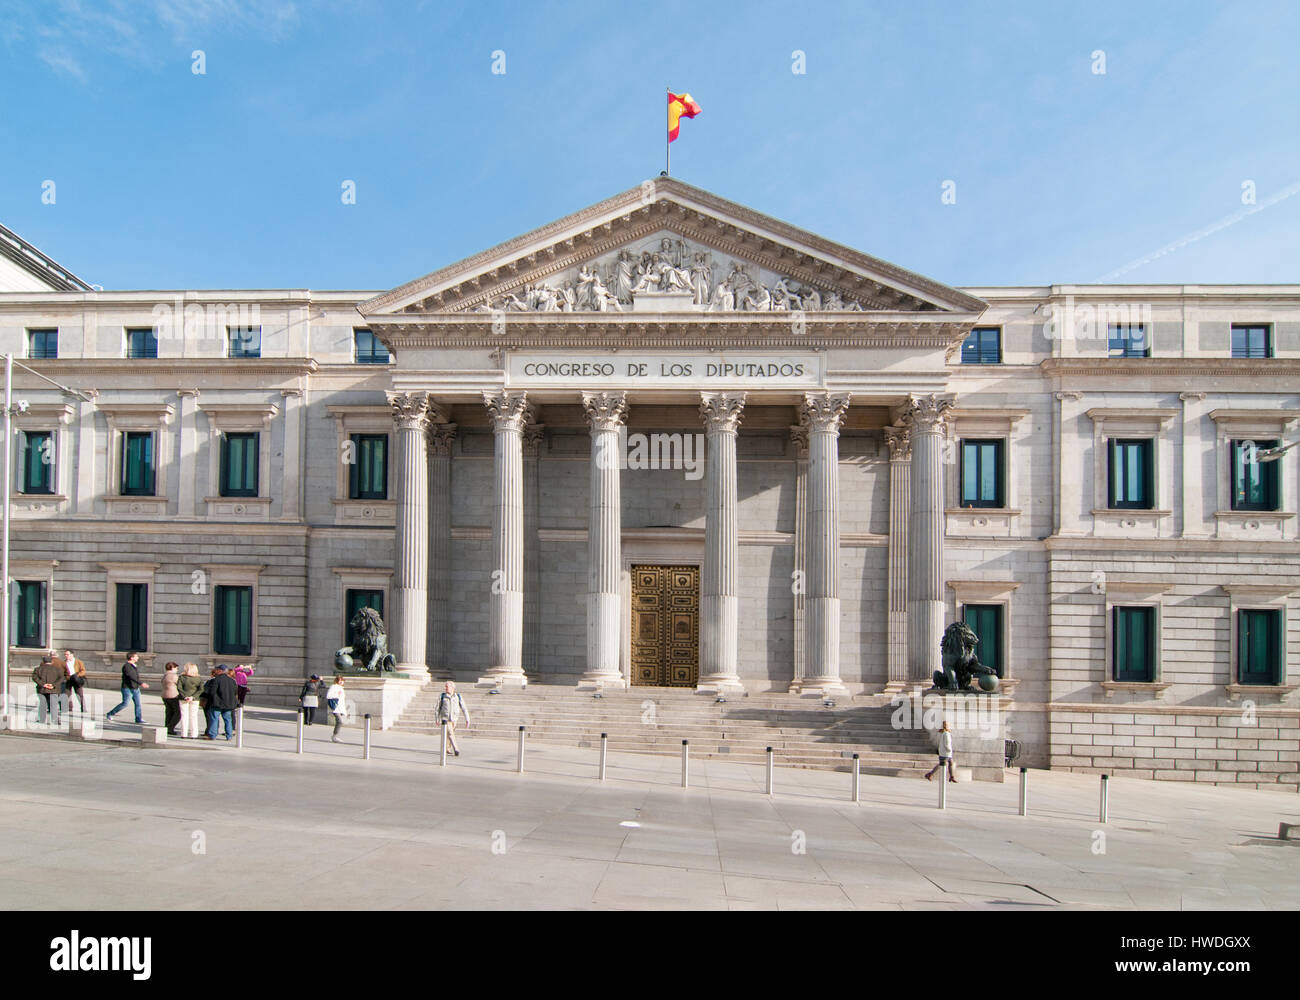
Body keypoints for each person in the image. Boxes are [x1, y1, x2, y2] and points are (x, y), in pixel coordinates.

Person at [106, 652, 149, 725]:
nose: (137, 658)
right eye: (136, 656)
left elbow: (135, 677)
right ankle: (110, 713)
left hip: (135, 688)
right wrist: (141, 683)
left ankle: (138, 718)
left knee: (138, 704)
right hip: (127, 688)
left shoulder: (133, 666)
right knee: (125, 703)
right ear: (131, 658)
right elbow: (132, 676)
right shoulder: (127, 666)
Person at [203, 665, 239, 741]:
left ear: (220, 671)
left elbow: (212, 691)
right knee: (228, 720)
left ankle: (213, 735)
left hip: (217, 703)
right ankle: (229, 736)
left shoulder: (216, 680)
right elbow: (235, 692)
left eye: (217, 669)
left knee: (214, 719)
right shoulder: (232, 680)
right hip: (228, 704)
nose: (215, 671)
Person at [436, 680, 470, 756]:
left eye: (447, 686)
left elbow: (464, 708)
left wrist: (467, 719)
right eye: (445, 686)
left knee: (449, 734)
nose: (445, 688)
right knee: (451, 733)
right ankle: (456, 749)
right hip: (445, 718)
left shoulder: (458, 696)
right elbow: (437, 708)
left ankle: (447, 748)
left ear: (452, 688)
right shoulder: (442, 696)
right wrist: (437, 719)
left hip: (454, 718)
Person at [32, 656, 64, 726]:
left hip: (42, 689)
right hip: (54, 689)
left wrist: (43, 684)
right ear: (52, 662)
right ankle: (55, 720)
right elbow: (61, 678)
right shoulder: (58, 669)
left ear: (43, 662)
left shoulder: (37, 669)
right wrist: (53, 685)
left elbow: (34, 677)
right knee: (54, 705)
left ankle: (42, 719)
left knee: (42, 704)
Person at [178, 663, 203, 739]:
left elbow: (179, 688)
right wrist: (193, 697)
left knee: (184, 716)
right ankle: (194, 734)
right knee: (193, 717)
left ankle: (184, 734)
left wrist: (185, 696)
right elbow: (201, 689)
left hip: (183, 699)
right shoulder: (198, 678)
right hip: (195, 699)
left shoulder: (182, 677)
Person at [62, 650, 87, 715]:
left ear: (72, 655)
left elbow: (83, 671)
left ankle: (83, 708)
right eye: (65, 654)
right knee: (67, 694)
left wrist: (77, 675)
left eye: (67, 654)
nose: (66, 656)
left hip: (76, 679)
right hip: (68, 679)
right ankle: (70, 708)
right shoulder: (63, 662)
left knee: (80, 694)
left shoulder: (78, 662)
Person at [160, 662, 181, 735]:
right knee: (178, 713)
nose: (177, 670)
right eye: (176, 668)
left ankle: (167, 726)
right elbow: (179, 685)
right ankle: (170, 727)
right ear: (172, 668)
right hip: (173, 695)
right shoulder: (173, 676)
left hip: (164, 695)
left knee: (169, 712)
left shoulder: (165, 675)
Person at [325, 675, 348, 743]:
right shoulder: (334, 686)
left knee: (339, 722)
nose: (341, 682)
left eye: (342, 680)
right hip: (335, 707)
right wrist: (337, 694)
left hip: (340, 707)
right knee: (340, 721)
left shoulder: (341, 688)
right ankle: (334, 736)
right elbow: (328, 696)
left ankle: (335, 736)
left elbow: (342, 700)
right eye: (339, 680)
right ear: (337, 681)